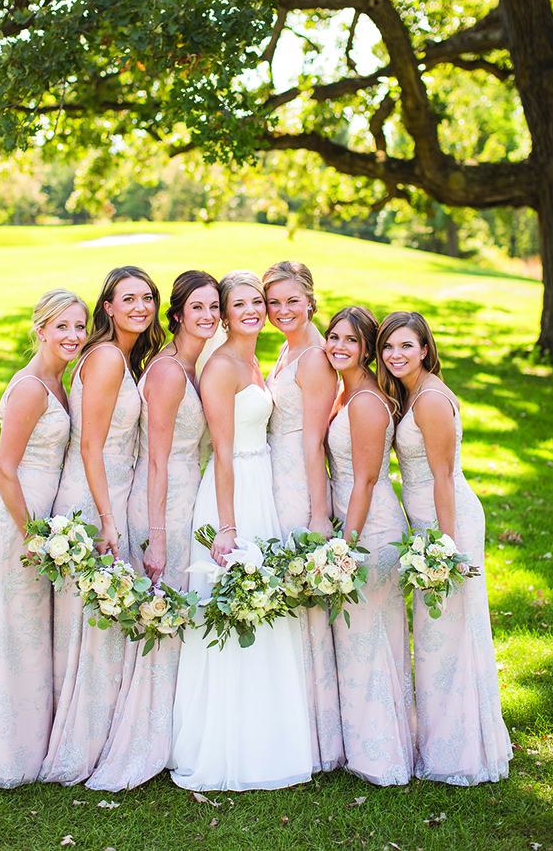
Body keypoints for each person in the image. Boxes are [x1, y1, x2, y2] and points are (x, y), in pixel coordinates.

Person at [169, 270, 312, 791]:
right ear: (224, 314)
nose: (253, 310)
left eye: (258, 301)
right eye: (241, 304)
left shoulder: (255, 357)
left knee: (267, 608)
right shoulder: (222, 366)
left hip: (261, 485)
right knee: (233, 606)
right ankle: (226, 744)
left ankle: (270, 734)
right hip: (232, 494)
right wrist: (226, 528)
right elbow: (222, 451)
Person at [86, 270, 220, 791]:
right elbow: (158, 461)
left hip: (186, 498)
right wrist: (158, 539)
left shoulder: (189, 364)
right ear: (179, 315)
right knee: (159, 619)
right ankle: (142, 739)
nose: (208, 317)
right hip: (162, 502)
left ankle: (168, 732)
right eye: (198, 309)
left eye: (215, 308)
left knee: (173, 616)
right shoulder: (167, 372)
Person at [0, 289, 88, 787]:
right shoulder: (33, 387)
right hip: (16, 517)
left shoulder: (58, 378)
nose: (73, 336)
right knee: (18, 629)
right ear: (40, 330)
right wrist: (32, 533)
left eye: (79, 327)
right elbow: (4, 469)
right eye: (62, 328)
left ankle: (26, 740)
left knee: (29, 627)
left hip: (38, 517)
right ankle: (11, 755)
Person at [40, 266, 165, 785]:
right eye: (127, 298)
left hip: (102, 491)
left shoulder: (117, 355)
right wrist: (109, 519)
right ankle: (82, 744)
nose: (141, 306)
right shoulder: (110, 356)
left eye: (148, 298)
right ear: (108, 307)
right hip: (95, 498)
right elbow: (89, 444)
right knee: (92, 623)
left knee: (96, 621)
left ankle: (90, 734)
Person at [377, 311, 512, 785]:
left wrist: (446, 548)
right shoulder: (415, 390)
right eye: (388, 347)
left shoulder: (430, 400)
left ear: (425, 349)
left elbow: (442, 479)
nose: (396, 355)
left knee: (447, 635)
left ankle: (458, 751)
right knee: (440, 636)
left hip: (444, 523)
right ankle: (445, 737)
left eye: (406, 346)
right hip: (429, 523)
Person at [324, 306, 416, 785]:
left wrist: (345, 547)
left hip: (370, 531)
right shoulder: (348, 392)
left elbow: (363, 481)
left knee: (369, 638)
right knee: (364, 639)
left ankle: (381, 756)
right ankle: (372, 742)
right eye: (333, 336)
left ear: (366, 349)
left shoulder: (364, 401)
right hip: (359, 522)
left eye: (350, 340)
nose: (339, 346)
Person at [263, 260, 343, 773]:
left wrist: (319, 515)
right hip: (273, 474)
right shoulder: (287, 347)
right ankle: (284, 717)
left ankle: (314, 734)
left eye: (292, 300)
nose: (281, 310)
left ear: (311, 299)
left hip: (298, 480)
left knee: (304, 602)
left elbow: (314, 442)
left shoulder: (314, 357)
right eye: (273, 302)